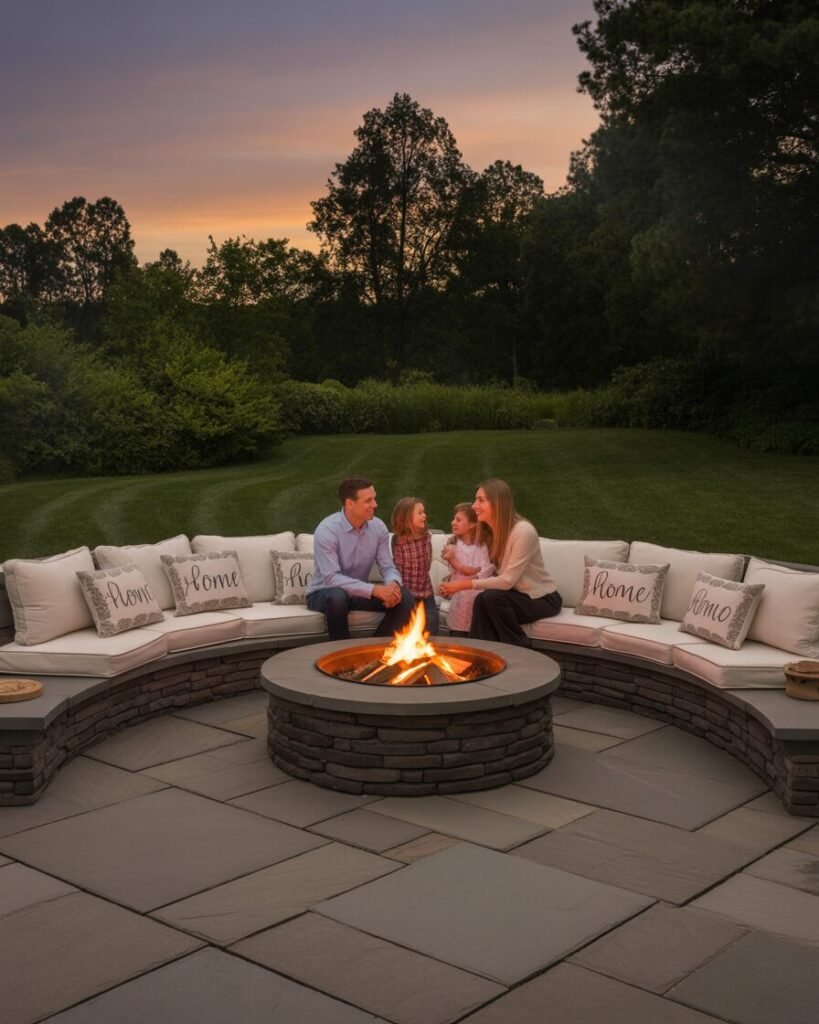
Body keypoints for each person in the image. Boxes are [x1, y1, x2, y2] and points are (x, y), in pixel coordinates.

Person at [439, 478, 561, 646]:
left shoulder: (523, 532)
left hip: (542, 598)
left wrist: (461, 585)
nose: (474, 506)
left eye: (481, 500)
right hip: (513, 595)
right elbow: (468, 546)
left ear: (497, 503)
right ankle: (481, 655)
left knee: (491, 599)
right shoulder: (491, 531)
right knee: (484, 600)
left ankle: (520, 650)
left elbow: (507, 581)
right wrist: (451, 551)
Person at [306, 476, 415, 641]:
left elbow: (387, 566)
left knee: (405, 596)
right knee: (337, 596)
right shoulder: (327, 530)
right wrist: (375, 590)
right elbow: (331, 579)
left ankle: (376, 650)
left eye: (374, 499)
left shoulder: (378, 528)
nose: (375, 505)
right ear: (350, 504)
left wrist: (393, 586)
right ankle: (343, 655)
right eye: (368, 501)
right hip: (323, 593)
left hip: (358, 593)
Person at [440, 502, 494, 636]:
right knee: (457, 630)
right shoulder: (454, 544)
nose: (453, 522)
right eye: (454, 519)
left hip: (475, 593)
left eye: (458, 520)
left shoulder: (481, 546)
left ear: (472, 524)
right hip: (458, 595)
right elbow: (459, 571)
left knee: (474, 630)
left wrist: (453, 560)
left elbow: (476, 572)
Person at [390, 496, 439, 635]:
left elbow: (426, 564)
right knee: (405, 628)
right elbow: (396, 567)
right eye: (420, 513)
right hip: (406, 594)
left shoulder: (426, 537)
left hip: (425, 592)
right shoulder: (397, 540)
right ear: (405, 517)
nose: (425, 515)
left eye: (424, 512)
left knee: (431, 624)